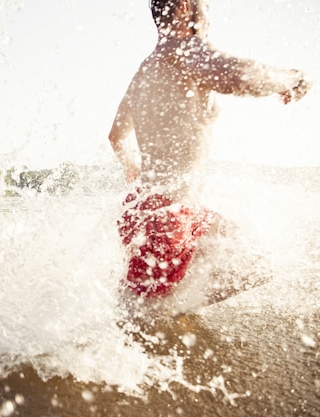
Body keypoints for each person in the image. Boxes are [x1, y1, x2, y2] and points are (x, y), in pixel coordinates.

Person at [108, 0, 310, 300]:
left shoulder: (145, 70)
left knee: (252, 259)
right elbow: (238, 76)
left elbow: (115, 136)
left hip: (148, 206)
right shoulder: (184, 49)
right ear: (185, 8)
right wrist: (292, 79)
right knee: (138, 317)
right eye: (207, 7)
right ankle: (141, 326)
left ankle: (175, 309)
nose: (209, 17)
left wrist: (132, 166)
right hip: (169, 217)